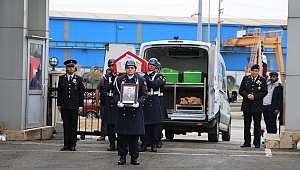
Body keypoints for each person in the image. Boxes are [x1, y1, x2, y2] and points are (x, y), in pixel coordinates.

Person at [113, 60, 148, 165]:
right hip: (123, 112)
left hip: (135, 111)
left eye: (132, 68)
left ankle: (134, 157)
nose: (130, 70)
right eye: (128, 68)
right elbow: (115, 93)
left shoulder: (141, 80)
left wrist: (138, 102)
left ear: (135, 69)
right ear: (125, 69)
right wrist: (118, 101)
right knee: (122, 137)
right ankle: (122, 156)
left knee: (134, 137)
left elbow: (144, 94)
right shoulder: (119, 79)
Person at [57, 59, 84, 151]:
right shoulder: (62, 78)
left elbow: (81, 94)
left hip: (74, 105)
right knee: (66, 125)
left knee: (73, 125)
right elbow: (59, 92)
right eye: (69, 67)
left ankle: (73, 144)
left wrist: (80, 106)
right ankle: (66, 144)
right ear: (66, 68)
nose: (71, 69)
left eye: (72, 67)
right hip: (65, 105)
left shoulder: (78, 79)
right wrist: (59, 104)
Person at [239, 64, 267, 148]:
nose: (254, 73)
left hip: (257, 106)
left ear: (258, 71)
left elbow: (264, 92)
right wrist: (247, 95)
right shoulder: (245, 79)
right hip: (247, 105)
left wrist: (254, 97)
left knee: (257, 125)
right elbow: (241, 90)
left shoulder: (262, 80)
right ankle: (247, 142)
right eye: (253, 71)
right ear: (250, 71)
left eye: (256, 71)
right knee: (247, 124)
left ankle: (257, 142)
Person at [140, 58, 164, 152]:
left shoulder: (159, 76)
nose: (151, 66)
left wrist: (145, 78)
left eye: (153, 65)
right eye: (150, 64)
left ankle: (154, 143)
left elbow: (154, 85)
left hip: (154, 100)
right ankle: (144, 142)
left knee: (154, 124)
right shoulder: (143, 75)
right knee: (144, 123)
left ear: (156, 67)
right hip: (145, 100)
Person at [102, 59, 118, 151]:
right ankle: (112, 142)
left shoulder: (121, 76)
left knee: (118, 122)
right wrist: (114, 81)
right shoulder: (106, 77)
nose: (113, 67)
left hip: (117, 100)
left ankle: (120, 141)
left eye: (114, 65)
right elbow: (108, 87)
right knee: (110, 123)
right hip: (110, 99)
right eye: (111, 66)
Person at [95, 69, 110, 141]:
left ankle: (113, 135)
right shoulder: (102, 80)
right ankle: (103, 134)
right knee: (104, 119)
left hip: (113, 103)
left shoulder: (116, 79)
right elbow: (97, 90)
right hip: (103, 103)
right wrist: (97, 102)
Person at [155, 62, 167, 148]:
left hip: (159, 99)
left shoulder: (160, 77)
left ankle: (158, 138)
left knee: (159, 121)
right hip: (152, 99)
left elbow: (159, 84)